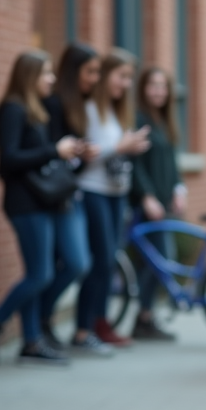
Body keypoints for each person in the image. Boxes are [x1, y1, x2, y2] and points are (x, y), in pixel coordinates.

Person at [0, 50, 83, 366]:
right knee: (40, 274)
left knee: (37, 272)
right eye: (47, 73)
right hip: (24, 203)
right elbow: (8, 160)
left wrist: (63, 153)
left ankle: (31, 341)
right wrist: (53, 151)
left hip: (40, 201)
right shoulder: (12, 109)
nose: (52, 79)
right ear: (30, 76)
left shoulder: (35, 110)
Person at [73, 49, 150, 353]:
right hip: (94, 192)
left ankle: (100, 323)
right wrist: (121, 145)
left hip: (117, 193)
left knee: (108, 262)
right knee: (100, 262)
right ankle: (85, 328)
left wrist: (129, 147)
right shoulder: (90, 109)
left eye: (130, 78)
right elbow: (88, 153)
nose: (126, 84)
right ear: (105, 76)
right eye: (121, 77)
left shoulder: (118, 113)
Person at [40, 42, 102, 351]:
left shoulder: (82, 104)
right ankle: (40, 321)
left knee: (76, 263)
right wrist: (72, 153)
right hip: (52, 198)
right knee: (72, 263)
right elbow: (50, 155)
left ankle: (43, 321)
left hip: (69, 193)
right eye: (90, 71)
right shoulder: (54, 105)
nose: (95, 78)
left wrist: (84, 155)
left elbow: (71, 163)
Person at [130, 67, 187, 341]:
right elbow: (136, 166)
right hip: (147, 208)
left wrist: (178, 188)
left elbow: (171, 163)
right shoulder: (139, 120)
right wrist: (146, 196)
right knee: (156, 262)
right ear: (143, 89)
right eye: (153, 85)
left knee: (157, 262)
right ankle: (142, 318)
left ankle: (145, 317)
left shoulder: (164, 122)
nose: (158, 91)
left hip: (163, 205)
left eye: (163, 86)